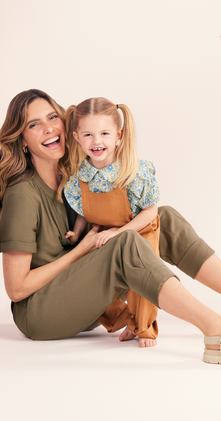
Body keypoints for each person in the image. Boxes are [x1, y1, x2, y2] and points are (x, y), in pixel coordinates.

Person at [0, 89, 221, 367]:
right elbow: (16, 289)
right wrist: (81, 249)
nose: (48, 128)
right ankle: (215, 330)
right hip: (40, 314)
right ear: (22, 139)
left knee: (161, 218)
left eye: (52, 117)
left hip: (81, 298)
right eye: (33, 124)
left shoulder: (74, 175)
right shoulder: (22, 196)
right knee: (126, 241)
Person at [63, 97, 161, 348]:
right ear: (76, 137)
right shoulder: (78, 178)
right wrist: (76, 233)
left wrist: (122, 232)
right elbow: (85, 210)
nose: (97, 142)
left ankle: (145, 327)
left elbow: (150, 212)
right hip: (105, 234)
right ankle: (127, 320)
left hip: (139, 230)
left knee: (142, 275)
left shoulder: (134, 172)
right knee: (83, 277)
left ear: (119, 134)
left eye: (104, 133)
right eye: (88, 135)